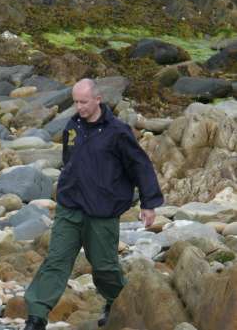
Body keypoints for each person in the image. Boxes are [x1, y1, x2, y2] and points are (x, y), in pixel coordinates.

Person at [23, 79, 164, 329]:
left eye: (84, 102)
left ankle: (117, 302)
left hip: (102, 212)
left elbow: (140, 166)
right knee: (56, 260)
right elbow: (69, 161)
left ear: (98, 99)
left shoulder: (118, 132)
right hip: (70, 208)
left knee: (104, 266)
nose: (79, 107)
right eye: (76, 102)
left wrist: (148, 204)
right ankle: (36, 317)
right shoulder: (73, 126)